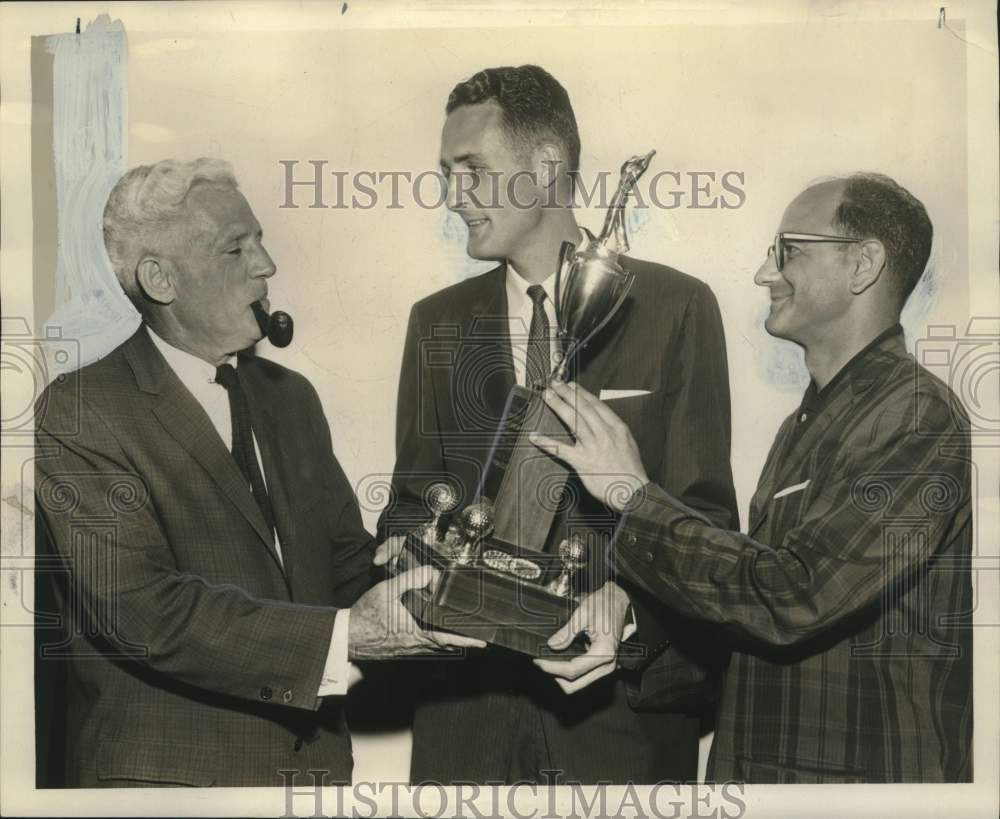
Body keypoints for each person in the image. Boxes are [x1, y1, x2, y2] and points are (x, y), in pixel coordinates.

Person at [33, 158, 482, 788]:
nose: (265, 266)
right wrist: (349, 636)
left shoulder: (288, 398)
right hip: (171, 788)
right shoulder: (82, 412)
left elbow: (345, 565)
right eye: (235, 248)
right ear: (160, 279)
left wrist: (420, 578)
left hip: (313, 780)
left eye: (261, 240)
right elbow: (146, 613)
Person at [531, 173, 974, 782]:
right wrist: (626, 613)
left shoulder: (917, 415)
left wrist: (632, 496)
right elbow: (747, 605)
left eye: (788, 250)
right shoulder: (809, 421)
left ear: (863, 264)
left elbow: (795, 596)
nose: (766, 274)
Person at [377, 65, 738, 785]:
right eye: (446, 174)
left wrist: (630, 607)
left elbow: (705, 520)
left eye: (472, 170)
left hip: (618, 727)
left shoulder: (677, 307)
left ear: (545, 168)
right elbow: (412, 502)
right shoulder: (436, 322)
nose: (453, 197)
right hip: (465, 726)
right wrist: (402, 551)